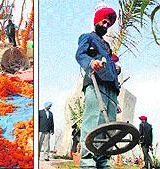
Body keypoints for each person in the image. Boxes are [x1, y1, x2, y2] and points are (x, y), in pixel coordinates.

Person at [75, 7, 120, 168]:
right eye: (103, 21)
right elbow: (80, 54)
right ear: (96, 21)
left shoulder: (107, 46)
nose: (106, 25)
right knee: (93, 121)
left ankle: (103, 161)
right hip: (96, 82)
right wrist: (91, 62)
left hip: (111, 88)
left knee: (109, 126)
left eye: (108, 23)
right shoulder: (87, 37)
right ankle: (87, 161)